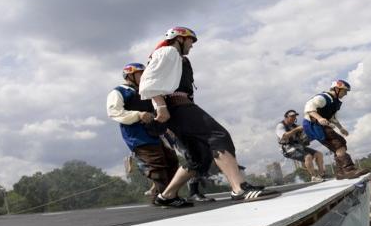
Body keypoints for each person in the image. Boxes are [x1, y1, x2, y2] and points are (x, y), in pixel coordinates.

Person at [139, 26, 278, 204]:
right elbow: (147, 81)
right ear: (179, 38)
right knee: (217, 136)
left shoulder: (178, 58)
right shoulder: (168, 51)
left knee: (198, 156)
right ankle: (239, 188)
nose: (192, 45)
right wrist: (160, 106)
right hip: (176, 106)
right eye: (190, 40)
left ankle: (167, 196)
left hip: (178, 107)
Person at [107, 63, 180, 201]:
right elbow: (114, 112)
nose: (145, 76)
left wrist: (167, 128)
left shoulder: (147, 91)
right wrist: (138, 115)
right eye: (141, 73)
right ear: (130, 76)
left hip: (157, 133)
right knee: (156, 163)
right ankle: (166, 198)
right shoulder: (119, 91)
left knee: (172, 161)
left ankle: (166, 195)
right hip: (138, 136)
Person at [301, 80, 368, 179]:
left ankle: (340, 172)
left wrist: (341, 128)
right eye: (344, 91)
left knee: (341, 142)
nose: (345, 94)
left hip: (320, 124)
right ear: (337, 89)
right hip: (312, 124)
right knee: (337, 144)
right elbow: (309, 108)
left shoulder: (334, 101)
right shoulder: (323, 98)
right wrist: (319, 118)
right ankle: (348, 170)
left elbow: (333, 118)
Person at [276, 109, 325, 182]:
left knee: (319, 154)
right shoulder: (280, 126)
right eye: (291, 116)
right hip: (288, 149)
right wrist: (297, 129)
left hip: (298, 146)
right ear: (286, 117)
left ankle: (321, 175)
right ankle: (313, 177)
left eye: (295, 116)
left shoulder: (295, 126)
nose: (294, 118)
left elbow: (305, 137)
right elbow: (284, 136)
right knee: (308, 156)